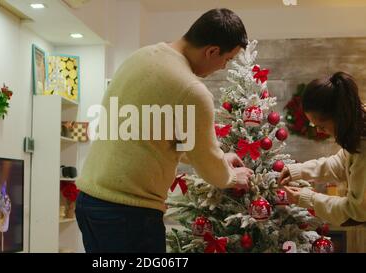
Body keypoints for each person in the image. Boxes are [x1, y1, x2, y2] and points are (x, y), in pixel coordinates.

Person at [75, 8, 253, 253]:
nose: (223, 67)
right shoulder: (191, 89)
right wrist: (232, 176)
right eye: (227, 59)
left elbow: (163, 137)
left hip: (89, 201)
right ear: (211, 51)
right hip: (129, 211)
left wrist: (221, 158)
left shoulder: (141, 56)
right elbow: (208, 164)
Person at [279, 71, 366, 227]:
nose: (319, 131)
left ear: (339, 118)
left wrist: (307, 198)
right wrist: (298, 171)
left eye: (321, 126)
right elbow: (341, 162)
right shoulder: (359, 123)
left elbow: (357, 212)